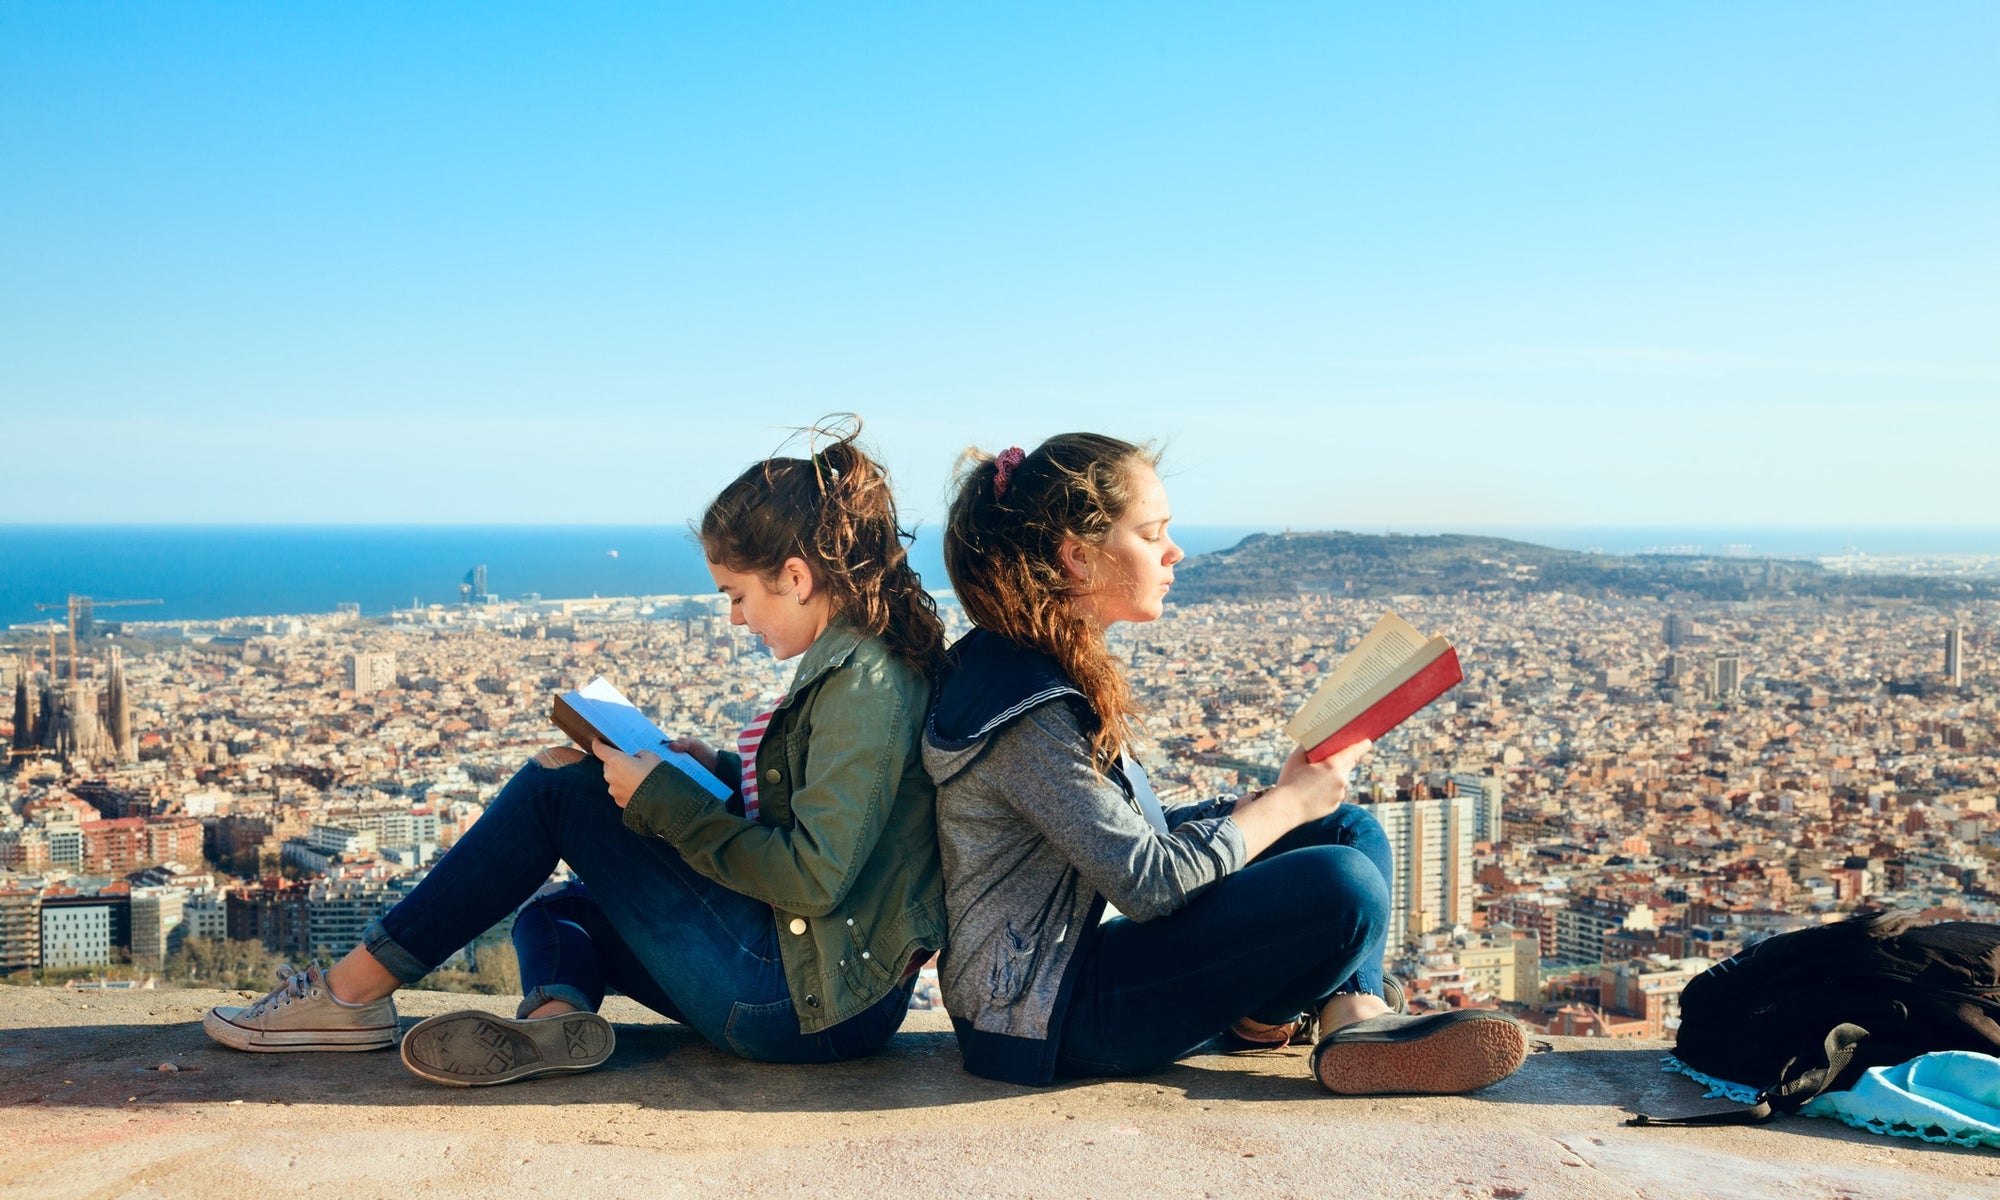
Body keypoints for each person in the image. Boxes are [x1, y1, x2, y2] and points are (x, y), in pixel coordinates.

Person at [203, 419, 949, 1085]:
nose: (733, 619)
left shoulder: (864, 682)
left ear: (795, 576)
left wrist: (665, 800)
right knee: (560, 914)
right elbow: (832, 813)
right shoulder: (859, 664)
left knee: (557, 791)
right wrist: (713, 768)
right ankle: (555, 1022)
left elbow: (813, 877)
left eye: (736, 595)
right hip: (821, 988)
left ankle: (347, 996)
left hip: (799, 1003)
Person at [924, 433, 1527, 1093]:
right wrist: (1284, 805)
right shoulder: (1028, 707)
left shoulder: (1031, 662)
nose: (1173, 553)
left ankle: (1350, 1015)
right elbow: (1148, 883)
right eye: (1152, 534)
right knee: (1343, 884)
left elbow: (1116, 834)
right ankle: (1318, 1016)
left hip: (1073, 967)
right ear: (1079, 559)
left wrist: (1266, 811)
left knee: (1350, 829)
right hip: (1041, 1015)